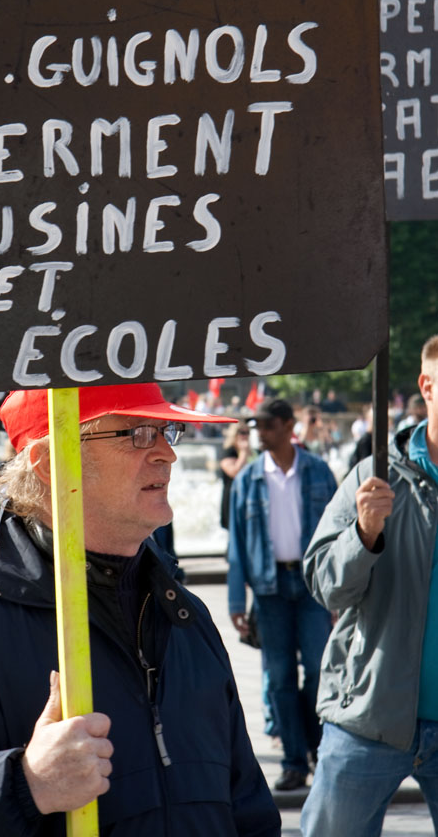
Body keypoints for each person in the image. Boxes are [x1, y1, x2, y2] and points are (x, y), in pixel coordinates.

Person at [0, 382, 280, 836]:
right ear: (52, 463)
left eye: (165, 431)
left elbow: (247, 808)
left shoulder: (184, 615)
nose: (167, 454)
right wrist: (22, 783)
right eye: (138, 434)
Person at [301, 335, 438, 836]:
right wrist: (363, 535)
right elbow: (323, 585)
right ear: (427, 386)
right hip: (370, 713)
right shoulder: (375, 476)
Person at [227, 397, 337, 792]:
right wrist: (237, 602)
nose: (260, 431)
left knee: (319, 671)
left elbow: (338, 534)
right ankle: (294, 762)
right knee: (279, 679)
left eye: (268, 424)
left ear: (289, 426)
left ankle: (318, 746)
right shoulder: (248, 479)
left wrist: (340, 592)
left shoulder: (320, 472)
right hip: (269, 588)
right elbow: (236, 545)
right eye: (257, 425)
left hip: (311, 586)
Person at [219, 421, 253, 531]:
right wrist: (243, 453)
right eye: (242, 432)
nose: (245, 435)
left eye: (248, 432)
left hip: (250, 498)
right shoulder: (228, 452)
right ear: (234, 434)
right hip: (233, 498)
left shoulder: (253, 452)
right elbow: (235, 473)